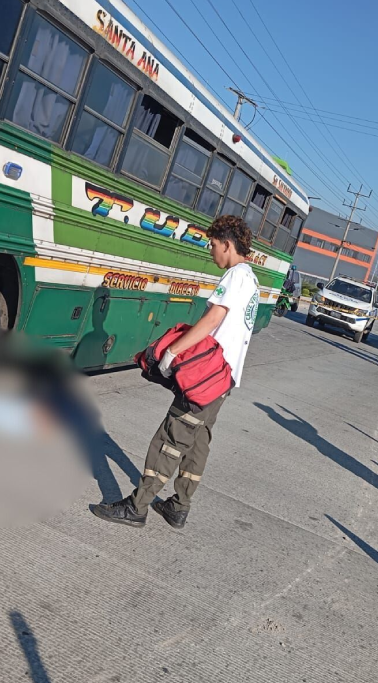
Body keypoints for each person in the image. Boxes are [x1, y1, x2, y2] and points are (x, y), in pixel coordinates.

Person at [91, 215, 259, 529]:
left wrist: (173, 351)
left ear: (226, 244)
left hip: (208, 376)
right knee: (198, 441)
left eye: (213, 245)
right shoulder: (251, 279)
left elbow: (210, 322)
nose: (211, 252)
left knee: (171, 437)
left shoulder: (235, 276)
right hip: (225, 379)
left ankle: (137, 507)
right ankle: (178, 506)